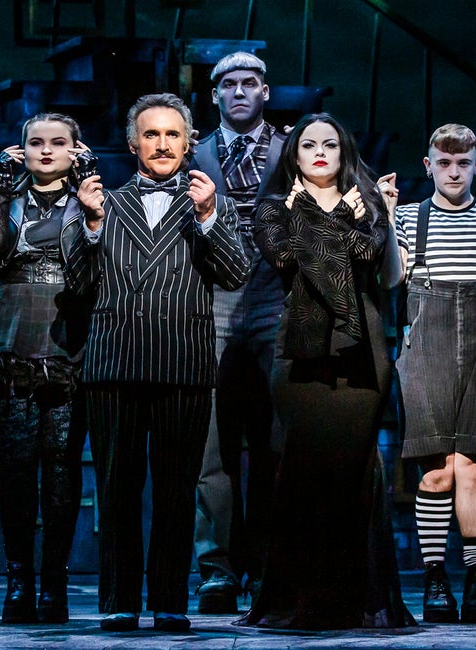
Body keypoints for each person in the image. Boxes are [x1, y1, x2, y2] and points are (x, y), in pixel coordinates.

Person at [67, 93, 249, 632]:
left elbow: (235, 274)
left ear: (189, 143)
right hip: (115, 362)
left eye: (173, 135)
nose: (163, 144)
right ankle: (119, 601)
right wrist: (92, 225)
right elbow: (77, 284)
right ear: (132, 144)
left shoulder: (211, 204)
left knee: (176, 487)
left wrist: (209, 216)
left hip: (182, 362)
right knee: (117, 488)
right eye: (151, 134)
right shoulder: (102, 202)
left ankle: (169, 599)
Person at [236, 113, 414, 630]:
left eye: (329, 144)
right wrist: (332, 218)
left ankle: (358, 598)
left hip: (362, 350)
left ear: (344, 152)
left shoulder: (369, 205)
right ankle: (301, 598)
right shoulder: (275, 207)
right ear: (293, 154)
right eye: (308, 144)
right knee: (302, 472)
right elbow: (286, 258)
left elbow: (369, 253)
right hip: (302, 351)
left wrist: (348, 220)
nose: (319, 152)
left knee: (356, 472)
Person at [379, 124, 476, 624]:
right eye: (444, 164)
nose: (453, 173)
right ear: (428, 166)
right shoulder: (410, 217)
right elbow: (390, 278)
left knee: (474, 470)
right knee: (435, 471)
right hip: (427, 342)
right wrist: (387, 216)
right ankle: (434, 577)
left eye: (463, 164)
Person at [0, 113, 92, 624]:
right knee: (15, 464)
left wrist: (89, 190)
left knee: (61, 462)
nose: (46, 151)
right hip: (8, 330)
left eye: (58, 142)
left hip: (66, 328)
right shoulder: (0, 198)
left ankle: (54, 581)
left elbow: (98, 260)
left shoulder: (90, 198)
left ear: (76, 150)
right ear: (21, 150)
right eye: (36, 142)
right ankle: (19, 581)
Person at [189, 51, 286, 613]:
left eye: (251, 83)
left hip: (276, 295)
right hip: (214, 297)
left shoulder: (292, 148)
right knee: (212, 441)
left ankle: (270, 563)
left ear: (265, 91)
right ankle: (217, 568)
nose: (241, 92)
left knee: (274, 438)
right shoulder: (194, 152)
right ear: (216, 94)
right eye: (230, 84)